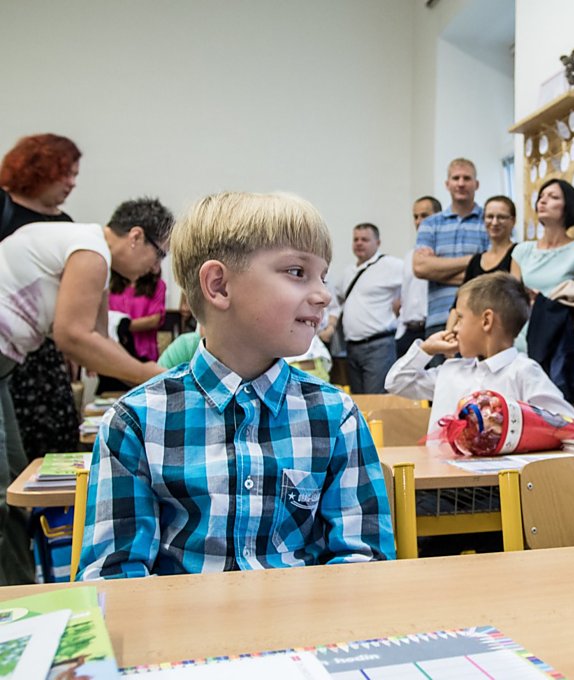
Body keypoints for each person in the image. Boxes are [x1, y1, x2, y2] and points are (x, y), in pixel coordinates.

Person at [78, 191, 395, 579]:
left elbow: (364, 561)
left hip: (305, 617)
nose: (324, 295)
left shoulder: (334, 416)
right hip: (184, 617)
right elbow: (114, 577)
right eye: (297, 272)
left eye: (323, 277)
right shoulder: (137, 421)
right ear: (219, 286)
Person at [1, 197, 171, 585]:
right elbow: (73, 336)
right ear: (136, 236)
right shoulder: (91, 251)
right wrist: (150, 374)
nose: (155, 267)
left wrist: (142, 374)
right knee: (5, 492)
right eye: (158, 254)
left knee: (11, 483)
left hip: (6, 366)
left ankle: (20, 589)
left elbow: (98, 339)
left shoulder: (89, 249)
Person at [385, 272, 574, 431]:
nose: (454, 328)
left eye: (460, 318)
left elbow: (570, 426)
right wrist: (426, 349)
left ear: (486, 321)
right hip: (439, 467)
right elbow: (397, 382)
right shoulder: (451, 371)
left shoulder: (523, 372)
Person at [0, 134, 83, 462]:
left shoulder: (65, 224)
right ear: (38, 169)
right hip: (7, 339)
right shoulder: (4, 206)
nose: (72, 183)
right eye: (66, 173)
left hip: (46, 350)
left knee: (56, 435)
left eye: (75, 174)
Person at [511, 179, 574, 405]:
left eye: (553, 197)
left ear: (568, 206)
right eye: (541, 196)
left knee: (558, 414)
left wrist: (547, 307)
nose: (543, 201)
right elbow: (510, 303)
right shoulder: (521, 251)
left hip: (559, 346)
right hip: (520, 344)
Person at [412, 159, 489, 341]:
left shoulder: (490, 221)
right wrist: (475, 261)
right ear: (447, 184)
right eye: (456, 178)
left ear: (476, 184)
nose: (461, 183)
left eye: (466, 178)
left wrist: (437, 270)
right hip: (438, 319)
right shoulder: (430, 224)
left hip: (478, 318)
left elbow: (494, 271)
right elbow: (420, 268)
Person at [336, 223, 402, 394]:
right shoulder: (348, 272)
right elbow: (337, 299)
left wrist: (403, 305)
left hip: (379, 346)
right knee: (358, 401)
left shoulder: (390, 265)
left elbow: (415, 281)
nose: (359, 243)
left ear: (378, 243)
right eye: (356, 239)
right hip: (352, 348)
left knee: (375, 401)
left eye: (365, 239)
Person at [446, 195, 517, 328]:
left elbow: (516, 300)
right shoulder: (476, 261)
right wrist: (448, 334)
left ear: (512, 221)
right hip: (474, 330)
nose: (494, 222)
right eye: (490, 217)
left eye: (501, 217)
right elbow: (458, 304)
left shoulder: (518, 253)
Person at [396, 196, 440, 357]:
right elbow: (405, 294)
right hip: (407, 332)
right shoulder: (410, 256)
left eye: (424, 216)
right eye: (415, 216)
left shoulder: (443, 253)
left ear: (438, 217)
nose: (419, 221)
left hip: (432, 328)